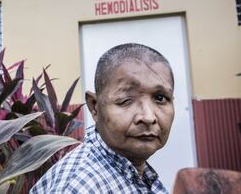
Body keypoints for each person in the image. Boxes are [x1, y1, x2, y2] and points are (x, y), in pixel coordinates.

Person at [30, 43, 175, 193]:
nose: (148, 117)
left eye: (160, 98)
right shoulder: (79, 186)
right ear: (94, 107)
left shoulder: (136, 171)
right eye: (126, 100)